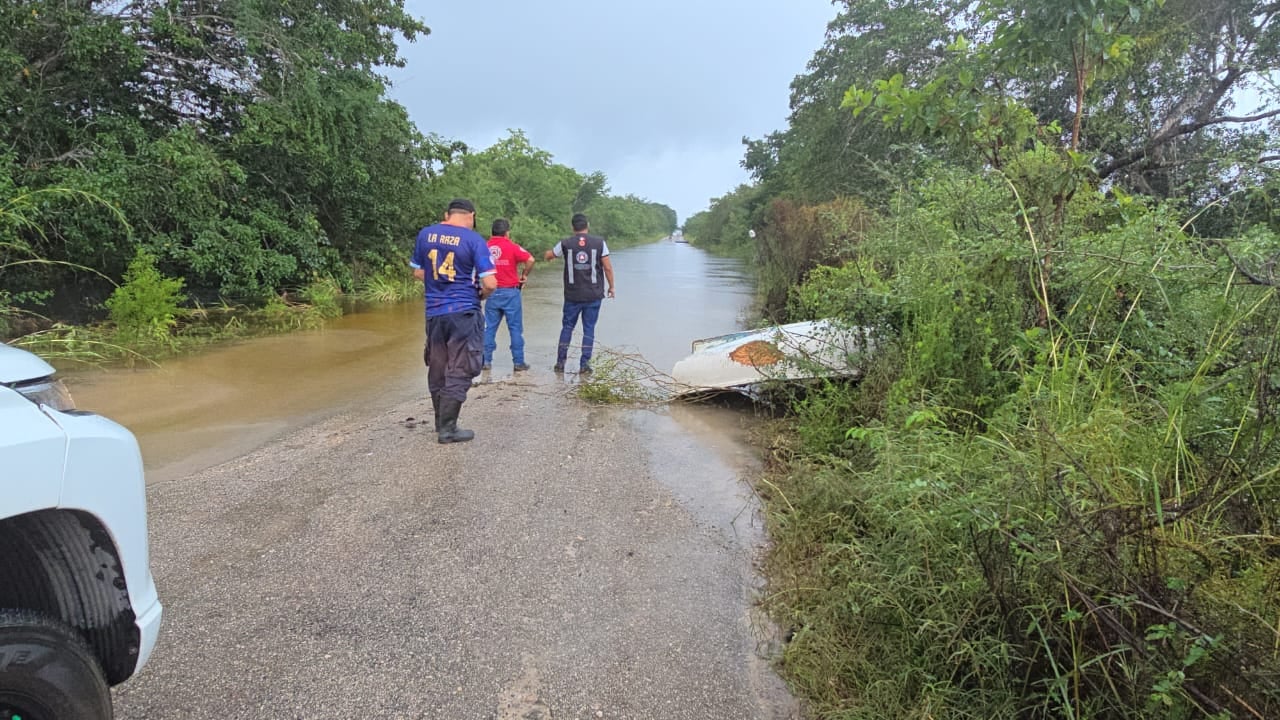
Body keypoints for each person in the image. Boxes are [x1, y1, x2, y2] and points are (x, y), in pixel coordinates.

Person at [410, 199, 497, 443]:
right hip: (463, 313)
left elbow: (417, 271)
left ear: (447, 214)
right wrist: (479, 294)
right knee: (461, 367)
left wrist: (439, 283)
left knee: (438, 366)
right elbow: (490, 282)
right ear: (471, 215)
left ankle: (440, 423)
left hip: (435, 313)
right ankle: (449, 429)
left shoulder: (426, 234)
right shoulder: (473, 240)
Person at [544, 212, 614, 374]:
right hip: (594, 294)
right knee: (589, 328)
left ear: (572, 227)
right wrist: (611, 287)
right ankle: (584, 365)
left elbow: (550, 255)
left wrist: (546, 255)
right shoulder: (599, 243)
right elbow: (607, 267)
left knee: (567, 327)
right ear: (587, 226)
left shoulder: (565, 243)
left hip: (572, 295)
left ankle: (560, 363)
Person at [482, 218, 535, 372]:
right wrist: (524, 275)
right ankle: (518, 363)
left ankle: (486, 362)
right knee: (515, 329)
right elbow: (530, 259)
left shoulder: (485, 247)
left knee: (489, 328)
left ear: (492, 232)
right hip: (511, 292)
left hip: (491, 291)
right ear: (507, 233)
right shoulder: (512, 246)